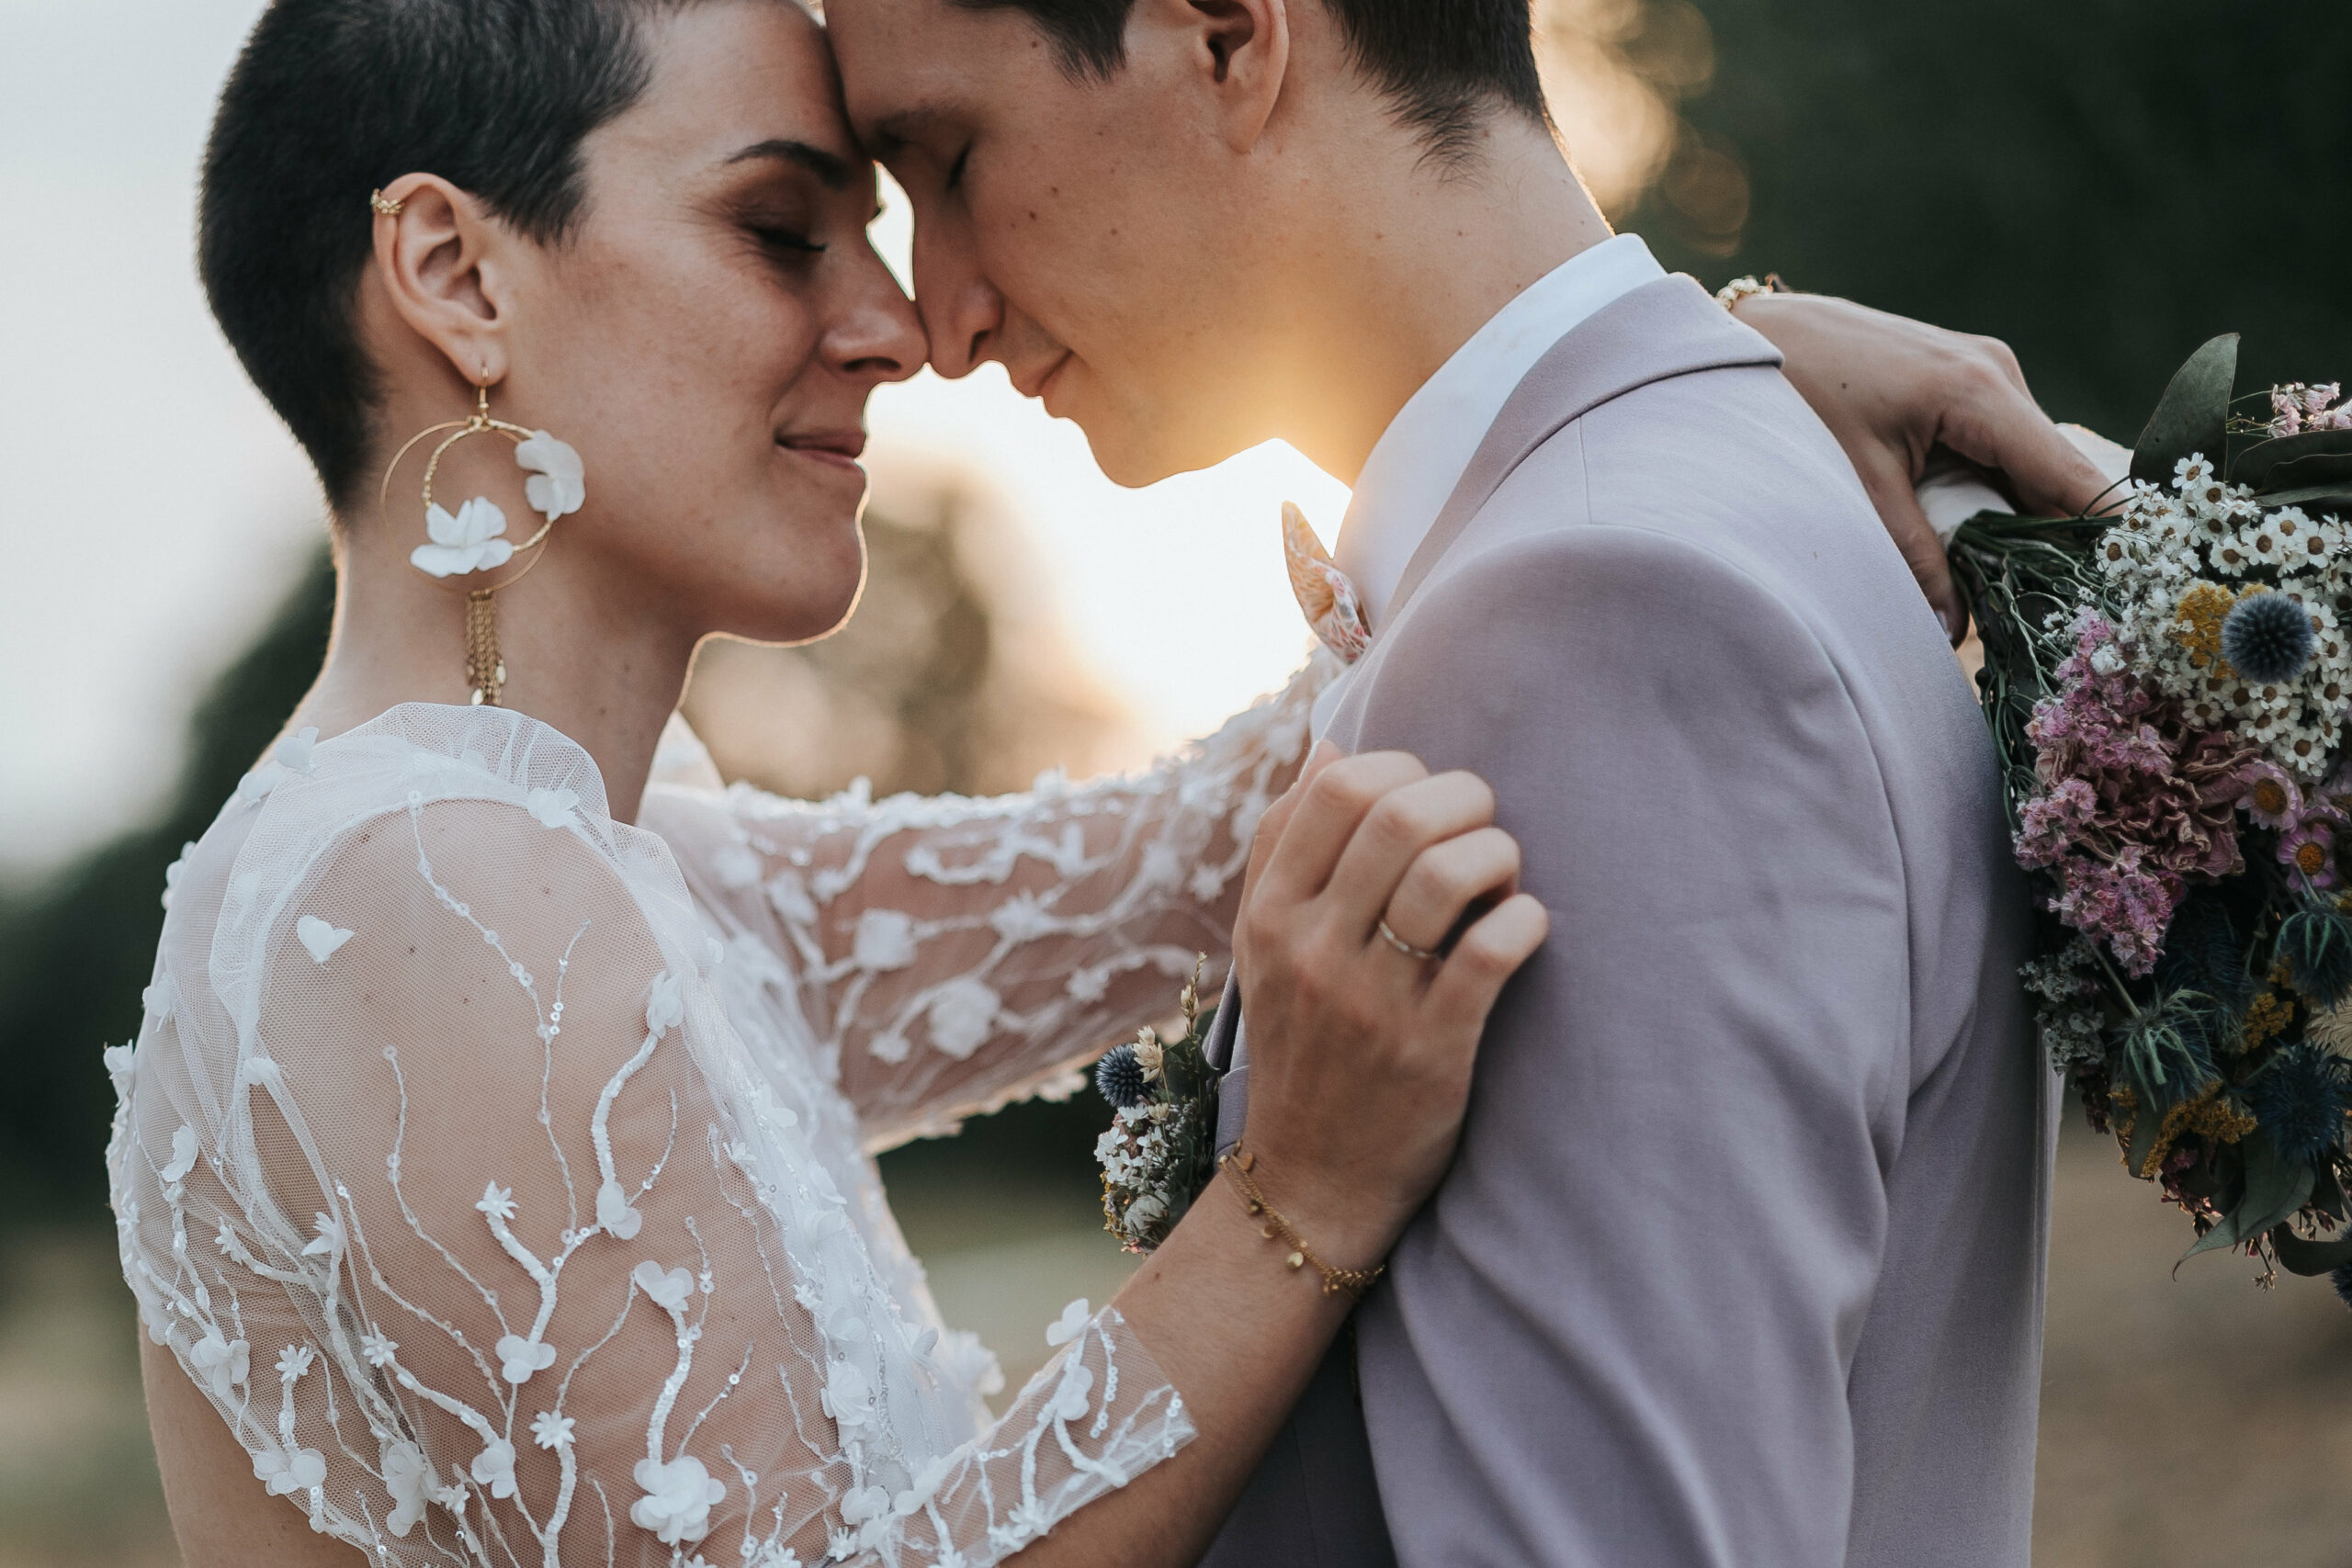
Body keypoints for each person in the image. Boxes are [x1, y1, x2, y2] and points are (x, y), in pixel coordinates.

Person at [112, 5, 2086, 1568]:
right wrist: (1288, 1207)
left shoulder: (616, 878)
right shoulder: (422, 898)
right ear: (454, 268)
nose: (897, 325)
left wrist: (1682, 377)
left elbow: (1229, 828)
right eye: (782, 228)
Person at [821, 0, 2087, 1563]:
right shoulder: (1707, 491)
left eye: (946, 159)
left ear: (1228, 39)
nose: (939, 318)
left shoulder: (1600, 623)